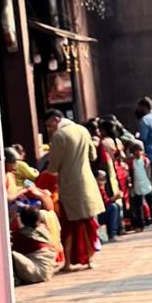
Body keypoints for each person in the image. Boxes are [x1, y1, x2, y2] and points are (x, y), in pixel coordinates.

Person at [44, 109, 104, 269]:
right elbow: (93, 156)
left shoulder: (59, 136)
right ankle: (90, 259)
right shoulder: (82, 130)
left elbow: (53, 166)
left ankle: (68, 263)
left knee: (69, 225)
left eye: (50, 126)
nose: (50, 130)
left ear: (56, 119)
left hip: (69, 185)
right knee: (88, 223)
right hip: (87, 183)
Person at [10, 207, 58, 287]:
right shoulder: (43, 230)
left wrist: (12, 219)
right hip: (48, 271)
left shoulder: (22, 235)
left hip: (37, 273)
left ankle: (14, 279)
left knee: (10, 253)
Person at [128, 142, 152, 229]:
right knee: (138, 207)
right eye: (136, 151)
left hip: (147, 184)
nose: (138, 153)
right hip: (137, 185)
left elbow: (150, 172)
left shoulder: (145, 160)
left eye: (140, 151)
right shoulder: (132, 162)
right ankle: (141, 224)